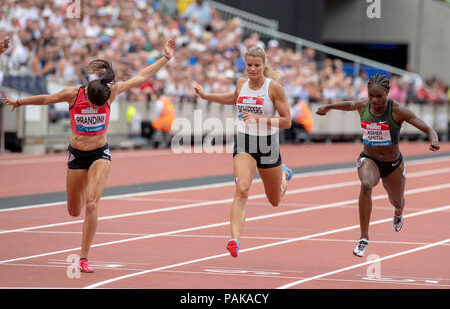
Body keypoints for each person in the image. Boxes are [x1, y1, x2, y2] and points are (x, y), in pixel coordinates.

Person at [1, 38, 176, 272]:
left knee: (92, 204)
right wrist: (19, 102)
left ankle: (83, 257)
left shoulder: (112, 91)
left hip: (99, 153)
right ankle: (84, 187)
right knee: (74, 210)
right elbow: (46, 99)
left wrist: (165, 57)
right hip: (77, 154)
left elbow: (141, 77)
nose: (96, 107)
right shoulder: (73, 94)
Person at [316, 73, 440, 257]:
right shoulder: (363, 106)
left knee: (397, 201)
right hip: (369, 159)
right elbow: (350, 104)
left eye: (379, 96)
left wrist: (434, 138)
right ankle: (364, 237)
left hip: (392, 164)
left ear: (388, 93)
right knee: (366, 185)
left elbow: (426, 127)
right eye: (371, 95)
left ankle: (398, 212)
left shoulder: (397, 110)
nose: (374, 100)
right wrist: (329, 107)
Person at [193, 46, 294, 258]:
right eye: (249, 65)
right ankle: (234, 240)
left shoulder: (273, 88)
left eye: (257, 65)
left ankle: (284, 175)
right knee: (242, 189)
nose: (253, 69)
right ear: (245, 65)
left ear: (264, 65)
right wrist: (206, 95)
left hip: (268, 145)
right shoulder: (241, 83)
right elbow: (233, 98)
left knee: (274, 200)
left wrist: (259, 119)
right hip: (244, 143)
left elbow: (287, 121)